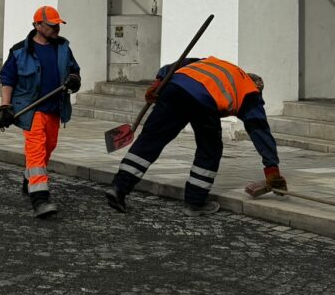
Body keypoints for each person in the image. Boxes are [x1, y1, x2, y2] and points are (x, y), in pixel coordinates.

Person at [106, 57, 287, 216]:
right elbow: (260, 130)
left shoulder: (216, 64)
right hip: (203, 101)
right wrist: (272, 168)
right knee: (210, 150)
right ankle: (195, 203)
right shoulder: (249, 90)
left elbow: (178, 63)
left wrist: (158, 82)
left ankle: (119, 188)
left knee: (150, 140)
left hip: (174, 88)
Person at [0, 5, 83, 220]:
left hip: (55, 108)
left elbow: (74, 70)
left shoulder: (63, 47)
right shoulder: (20, 51)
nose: (56, 29)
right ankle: (40, 199)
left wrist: (74, 80)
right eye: (52, 25)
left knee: (48, 147)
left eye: (58, 25)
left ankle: (29, 179)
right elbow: (8, 79)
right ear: (37, 25)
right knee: (36, 148)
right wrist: (5, 108)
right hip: (30, 109)